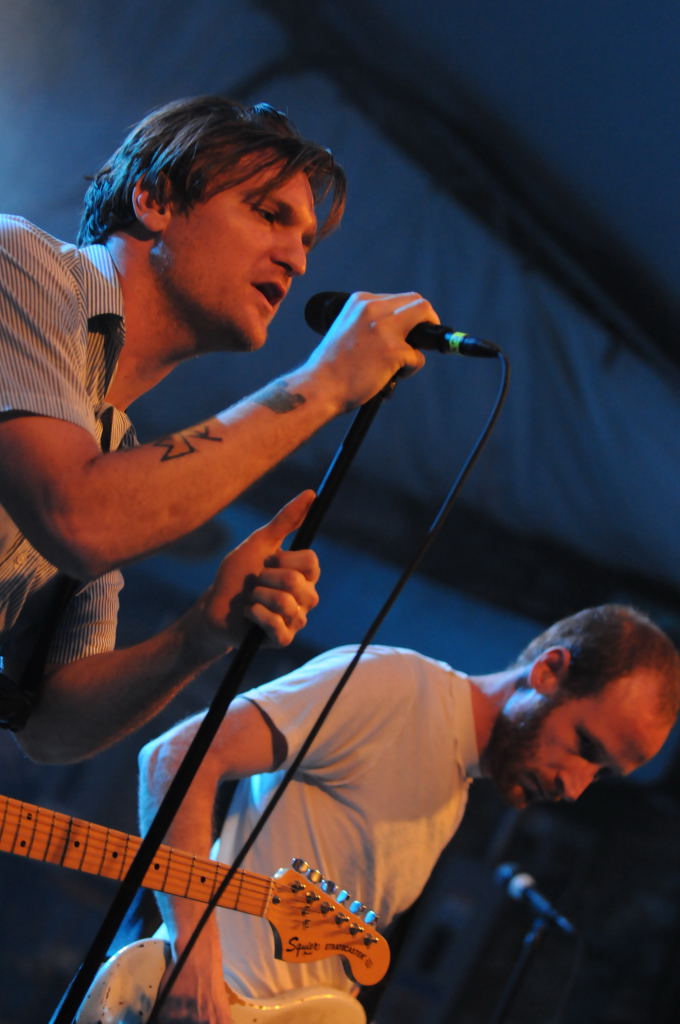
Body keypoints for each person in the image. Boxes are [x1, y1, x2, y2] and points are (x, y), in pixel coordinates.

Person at [0, 95, 436, 763]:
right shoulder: (18, 263)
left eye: (306, 241)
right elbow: (79, 518)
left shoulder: (117, 458)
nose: (297, 261)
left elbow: (51, 728)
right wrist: (324, 383)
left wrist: (201, 632)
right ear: (155, 201)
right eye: (269, 215)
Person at [137, 603, 680, 1023]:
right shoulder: (395, 688)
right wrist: (194, 958)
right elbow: (177, 755)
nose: (576, 787)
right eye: (585, 746)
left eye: (601, 774)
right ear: (549, 671)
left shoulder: (452, 794)